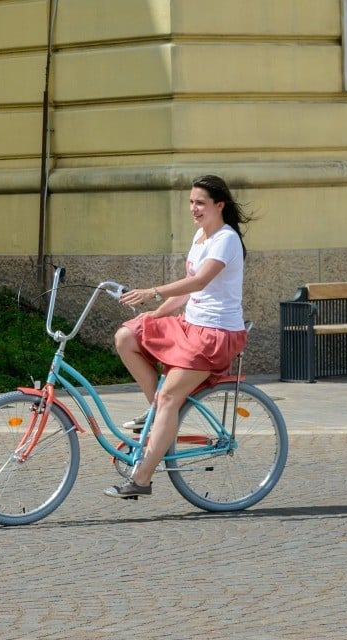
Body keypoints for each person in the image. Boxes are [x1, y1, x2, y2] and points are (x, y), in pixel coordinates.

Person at [105, 174, 253, 498]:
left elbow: (199, 282)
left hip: (215, 335)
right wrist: (156, 314)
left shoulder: (225, 240)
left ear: (219, 205)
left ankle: (141, 480)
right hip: (189, 324)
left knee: (172, 396)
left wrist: (152, 292)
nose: (194, 209)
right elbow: (188, 291)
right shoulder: (201, 235)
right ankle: (157, 410)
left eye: (200, 202)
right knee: (127, 337)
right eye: (191, 202)